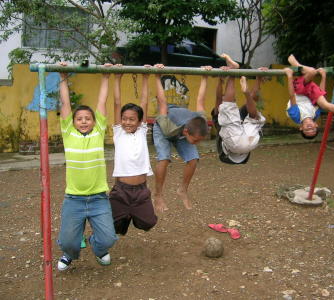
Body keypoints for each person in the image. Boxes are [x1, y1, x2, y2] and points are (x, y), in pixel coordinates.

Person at [57, 62, 118, 271]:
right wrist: (63, 77)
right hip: (73, 198)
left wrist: (105, 77)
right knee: (68, 242)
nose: (83, 121)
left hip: (98, 197)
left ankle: (97, 248)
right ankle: (70, 253)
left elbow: (102, 101)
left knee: (109, 239)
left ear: (94, 121)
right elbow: (65, 104)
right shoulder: (68, 133)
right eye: (79, 118)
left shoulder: (98, 132)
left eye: (88, 118)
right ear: (72, 122)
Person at [152, 64, 210, 212]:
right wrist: (157, 76)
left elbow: (200, 100)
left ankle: (183, 190)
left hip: (180, 128)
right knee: (164, 158)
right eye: (196, 140)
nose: (198, 143)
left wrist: (204, 76)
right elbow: (162, 102)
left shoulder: (199, 120)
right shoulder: (167, 125)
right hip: (164, 128)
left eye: (199, 140)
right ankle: (158, 194)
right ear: (186, 132)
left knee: (193, 159)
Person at [109, 67, 158, 236]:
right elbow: (116, 102)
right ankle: (123, 218)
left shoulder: (142, 131)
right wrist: (117, 78)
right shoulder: (119, 132)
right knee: (112, 228)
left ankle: (132, 214)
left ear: (139, 122)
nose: (127, 122)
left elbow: (143, 103)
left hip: (141, 190)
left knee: (149, 222)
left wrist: (146, 78)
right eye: (124, 118)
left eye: (132, 119)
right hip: (121, 190)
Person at [285, 54, 334, 139]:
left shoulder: (296, 116)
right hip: (310, 92)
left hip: (297, 91)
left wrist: (289, 76)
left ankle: (294, 63)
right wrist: (324, 77)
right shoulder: (315, 114)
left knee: (311, 71)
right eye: (313, 129)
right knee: (325, 104)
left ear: (301, 128)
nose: (310, 128)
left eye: (307, 130)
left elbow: (292, 96)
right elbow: (319, 94)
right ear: (316, 125)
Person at [211, 53, 266, 164]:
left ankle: (234, 72)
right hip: (237, 144)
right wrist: (222, 79)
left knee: (253, 116)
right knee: (233, 108)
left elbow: (253, 97)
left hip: (246, 143)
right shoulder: (219, 115)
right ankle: (233, 72)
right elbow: (218, 98)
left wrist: (259, 77)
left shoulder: (233, 115)